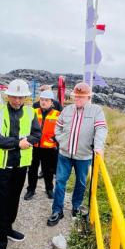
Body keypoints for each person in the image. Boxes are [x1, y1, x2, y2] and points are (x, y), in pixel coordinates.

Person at [0, 79, 41, 249]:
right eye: (14, 97)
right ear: (7, 95)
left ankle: (8, 228)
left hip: (21, 165)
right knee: (0, 205)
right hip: (2, 167)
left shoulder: (30, 111)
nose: (17, 100)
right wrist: (17, 143)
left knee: (14, 199)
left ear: (26, 98)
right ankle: (0, 246)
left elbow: (37, 134)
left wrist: (29, 141)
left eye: (21, 97)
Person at [47, 82, 108, 226]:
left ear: (88, 97)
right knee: (60, 182)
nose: (78, 99)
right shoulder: (67, 110)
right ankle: (57, 210)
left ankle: (76, 206)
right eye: (76, 96)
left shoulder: (96, 111)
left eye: (82, 97)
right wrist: (62, 141)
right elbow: (58, 128)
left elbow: (101, 129)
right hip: (64, 155)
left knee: (80, 183)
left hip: (84, 156)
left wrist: (98, 147)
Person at [24, 90, 60, 201]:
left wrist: (55, 139)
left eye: (46, 100)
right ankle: (31, 190)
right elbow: (25, 126)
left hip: (48, 148)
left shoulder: (57, 114)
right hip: (34, 146)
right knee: (32, 169)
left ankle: (49, 189)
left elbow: (62, 129)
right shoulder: (33, 112)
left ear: (51, 102)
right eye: (42, 100)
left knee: (48, 170)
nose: (43, 102)